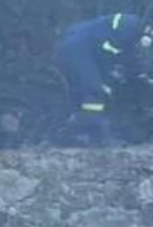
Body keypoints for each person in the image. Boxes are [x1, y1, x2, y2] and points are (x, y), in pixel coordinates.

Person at [54, 13, 153, 144]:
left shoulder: (134, 35)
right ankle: (88, 133)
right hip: (77, 49)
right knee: (95, 89)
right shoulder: (128, 24)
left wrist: (140, 73)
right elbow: (113, 50)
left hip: (88, 53)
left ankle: (84, 130)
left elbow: (128, 58)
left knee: (100, 89)